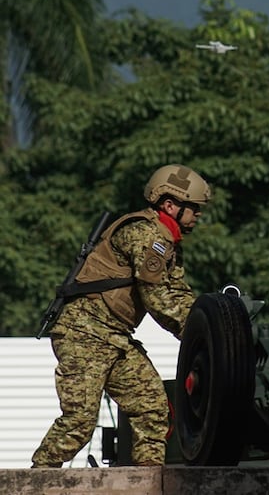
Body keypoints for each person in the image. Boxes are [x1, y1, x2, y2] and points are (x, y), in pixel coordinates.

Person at [31, 164, 211, 467]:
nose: (199, 214)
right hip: (84, 333)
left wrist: (207, 322)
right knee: (79, 422)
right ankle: (34, 481)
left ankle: (149, 483)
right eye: (193, 207)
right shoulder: (145, 235)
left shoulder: (166, 242)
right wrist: (207, 334)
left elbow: (178, 295)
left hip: (114, 337)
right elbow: (159, 300)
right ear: (170, 204)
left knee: (152, 410)